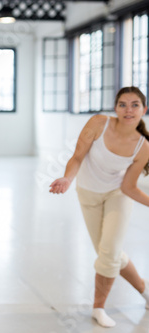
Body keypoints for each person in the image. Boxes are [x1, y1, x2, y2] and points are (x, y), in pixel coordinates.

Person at [50, 86, 149, 328]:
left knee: (109, 252)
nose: (128, 110)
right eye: (122, 104)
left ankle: (98, 307)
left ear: (144, 109)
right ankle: (146, 291)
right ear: (115, 108)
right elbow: (77, 157)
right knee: (110, 253)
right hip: (88, 193)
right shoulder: (98, 123)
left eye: (135, 104)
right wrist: (67, 179)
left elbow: (129, 187)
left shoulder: (143, 146)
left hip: (117, 195)